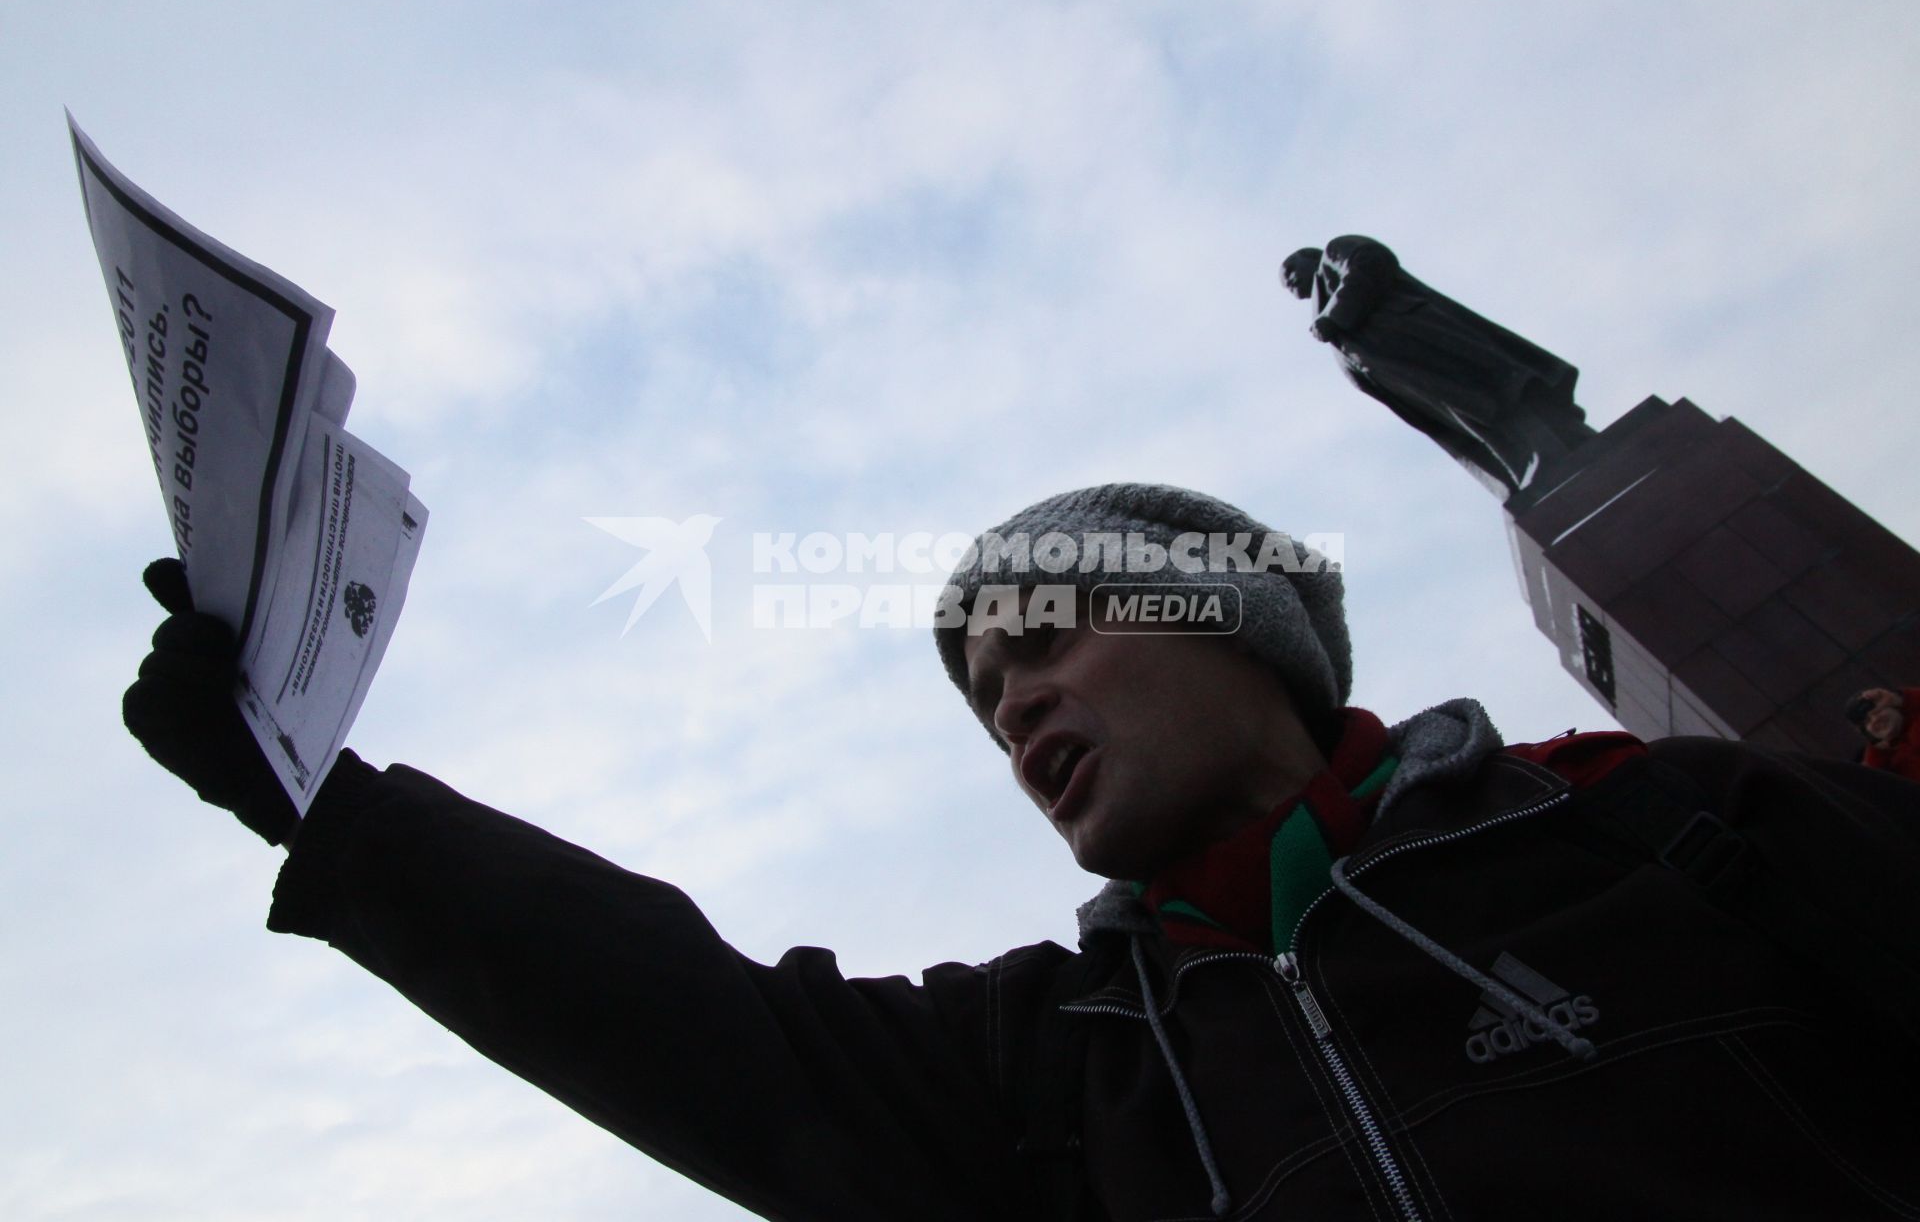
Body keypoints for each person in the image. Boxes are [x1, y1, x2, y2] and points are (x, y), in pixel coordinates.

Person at [126, 483, 1920, 1220]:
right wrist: (323, 801)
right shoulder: (1061, 1066)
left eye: (1047, 640)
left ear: (1238, 633)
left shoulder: (1656, 830)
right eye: (986, 695)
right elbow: (709, 1037)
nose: (1015, 708)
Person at [1281, 237, 1595, 498]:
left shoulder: (1334, 254)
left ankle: (1548, 451)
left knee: (1492, 397)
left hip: (1427, 341)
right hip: (1410, 378)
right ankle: (1532, 462)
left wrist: (1333, 317)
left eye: (1291, 270)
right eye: (1287, 284)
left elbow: (1371, 260)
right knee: (1473, 420)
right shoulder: (1320, 308)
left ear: (1311, 256)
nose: (1291, 281)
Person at [1850, 686, 1920, 781]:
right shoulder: (1883, 759)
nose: (1875, 720)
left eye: (1876, 712)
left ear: (1893, 705)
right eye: (1867, 721)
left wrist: (1902, 698)